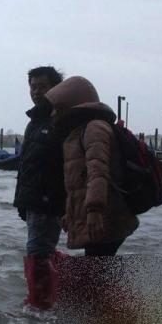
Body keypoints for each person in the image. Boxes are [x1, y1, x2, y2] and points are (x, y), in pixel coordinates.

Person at [45, 76, 138, 256]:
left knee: (96, 275)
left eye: (58, 108)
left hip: (105, 217)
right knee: (98, 274)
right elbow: (80, 181)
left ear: (71, 106)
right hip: (99, 217)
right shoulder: (80, 131)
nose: (53, 114)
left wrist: (95, 210)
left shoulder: (94, 129)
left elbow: (98, 172)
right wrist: (71, 214)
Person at [13, 65, 66, 309]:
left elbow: (66, 165)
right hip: (33, 201)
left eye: (42, 86)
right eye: (33, 87)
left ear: (55, 88)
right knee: (42, 250)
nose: (36, 91)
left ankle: (39, 305)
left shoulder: (60, 120)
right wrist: (21, 201)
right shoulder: (34, 121)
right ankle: (57, 290)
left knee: (38, 252)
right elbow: (27, 165)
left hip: (49, 201)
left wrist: (62, 203)